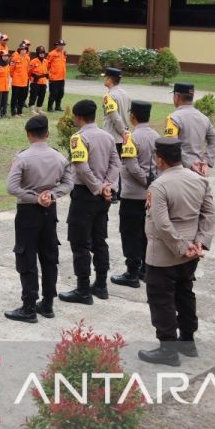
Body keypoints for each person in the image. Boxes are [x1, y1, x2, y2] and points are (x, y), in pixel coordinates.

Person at [138, 136, 215, 366]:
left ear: (160, 160)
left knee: (161, 299)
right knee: (184, 292)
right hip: (192, 250)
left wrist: (182, 248)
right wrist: (200, 242)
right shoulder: (199, 180)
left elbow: (162, 224)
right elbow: (209, 214)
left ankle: (168, 349)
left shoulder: (159, 185)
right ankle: (188, 341)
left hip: (164, 253)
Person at [4, 114, 73, 323]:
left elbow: (12, 187)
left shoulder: (23, 158)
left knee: (26, 257)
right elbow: (68, 184)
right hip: (49, 211)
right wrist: (50, 195)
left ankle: (28, 307)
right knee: (49, 256)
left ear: (28, 135)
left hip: (28, 212)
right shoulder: (60, 157)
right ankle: (48, 304)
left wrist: (34, 198)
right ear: (47, 134)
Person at [59, 98, 119, 305]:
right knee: (99, 240)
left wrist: (97, 188)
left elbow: (82, 168)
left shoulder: (78, 138)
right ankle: (101, 285)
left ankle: (83, 289)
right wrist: (107, 186)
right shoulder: (107, 136)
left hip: (86, 194)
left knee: (80, 242)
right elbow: (115, 163)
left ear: (78, 117)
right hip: (103, 196)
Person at [113, 101, 158, 288]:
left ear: (132, 117)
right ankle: (145, 269)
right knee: (145, 232)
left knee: (130, 233)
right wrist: (153, 184)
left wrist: (146, 183)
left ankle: (132, 272)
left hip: (133, 194)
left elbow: (132, 167)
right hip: (150, 194)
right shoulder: (156, 135)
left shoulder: (131, 138)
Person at [164, 82, 215, 176]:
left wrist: (190, 163)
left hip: (180, 170)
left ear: (176, 97)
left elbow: (171, 145)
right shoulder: (204, 118)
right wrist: (206, 160)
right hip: (199, 170)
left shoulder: (173, 118)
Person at [9, 43, 30, 117]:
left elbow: (28, 69)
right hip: (16, 82)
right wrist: (15, 77)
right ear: (19, 50)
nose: (23, 51)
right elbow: (11, 70)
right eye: (22, 49)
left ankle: (19, 112)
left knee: (22, 98)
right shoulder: (15, 58)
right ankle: (13, 112)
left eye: (25, 49)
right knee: (14, 98)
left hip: (24, 81)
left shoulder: (27, 58)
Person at [46, 40, 67, 111]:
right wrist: (49, 73)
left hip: (62, 77)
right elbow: (47, 65)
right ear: (56, 45)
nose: (61, 47)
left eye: (63, 45)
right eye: (60, 45)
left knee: (61, 93)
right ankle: (50, 107)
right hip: (54, 78)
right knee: (53, 93)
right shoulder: (52, 54)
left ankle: (57, 106)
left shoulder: (63, 53)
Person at [28, 46, 49, 112]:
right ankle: (32, 108)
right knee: (33, 95)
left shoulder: (46, 61)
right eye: (40, 53)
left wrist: (47, 75)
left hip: (43, 82)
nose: (42, 54)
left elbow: (47, 70)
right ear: (37, 53)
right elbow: (29, 72)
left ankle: (39, 108)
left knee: (42, 95)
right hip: (35, 82)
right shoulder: (33, 61)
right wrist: (32, 78)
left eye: (43, 53)